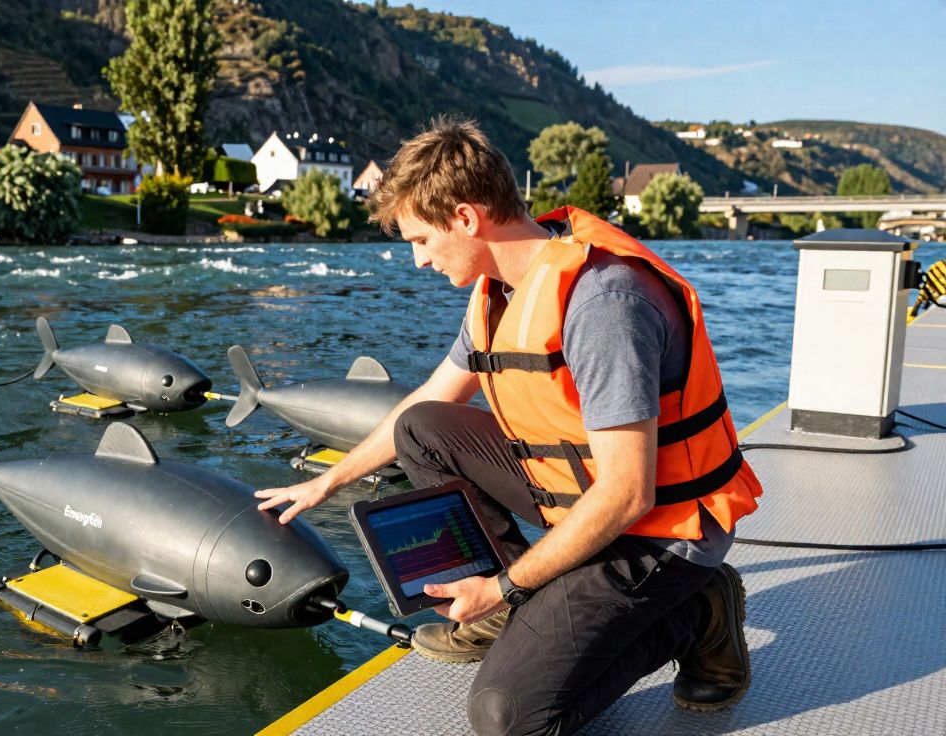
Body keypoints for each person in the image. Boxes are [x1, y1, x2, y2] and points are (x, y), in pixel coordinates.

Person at [255, 115, 762, 736]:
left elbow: (630, 493)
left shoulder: (604, 305)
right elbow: (430, 400)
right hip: (588, 496)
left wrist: (502, 588)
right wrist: (326, 483)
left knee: (507, 718)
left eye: (421, 241)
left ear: (466, 219)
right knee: (422, 427)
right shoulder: (501, 290)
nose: (418, 262)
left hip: (660, 532)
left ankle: (697, 612)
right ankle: (529, 600)